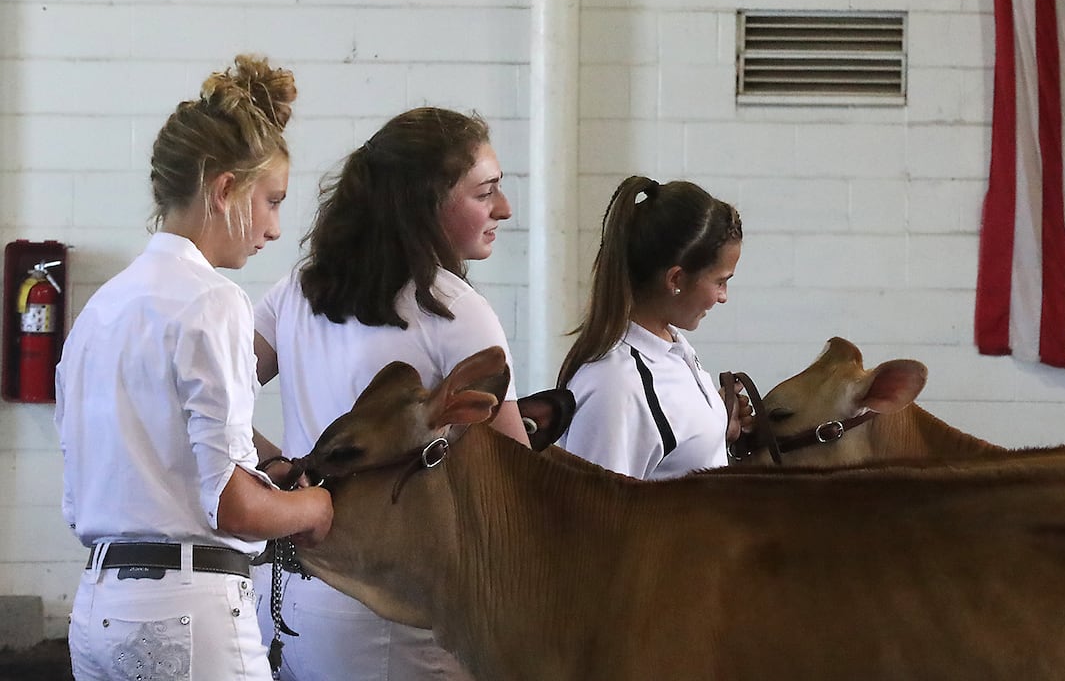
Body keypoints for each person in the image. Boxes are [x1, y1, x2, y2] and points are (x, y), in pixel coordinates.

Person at [55, 54, 333, 681]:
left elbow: (112, 472)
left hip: (98, 607)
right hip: (185, 612)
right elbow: (233, 508)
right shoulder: (212, 301)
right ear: (224, 188)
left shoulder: (100, 311)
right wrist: (314, 507)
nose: (273, 228)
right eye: (270, 201)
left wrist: (264, 461)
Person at [252, 106, 529, 681]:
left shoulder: (296, 290)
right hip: (391, 610)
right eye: (485, 193)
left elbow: (204, 405)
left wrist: (278, 464)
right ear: (425, 203)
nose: (503, 209)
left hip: (284, 595)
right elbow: (517, 481)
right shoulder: (454, 311)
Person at [556, 175, 743, 480]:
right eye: (720, 281)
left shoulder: (672, 346)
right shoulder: (615, 386)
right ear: (676, 280)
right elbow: (594, 517)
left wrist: (718, 423)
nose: (723, 297)